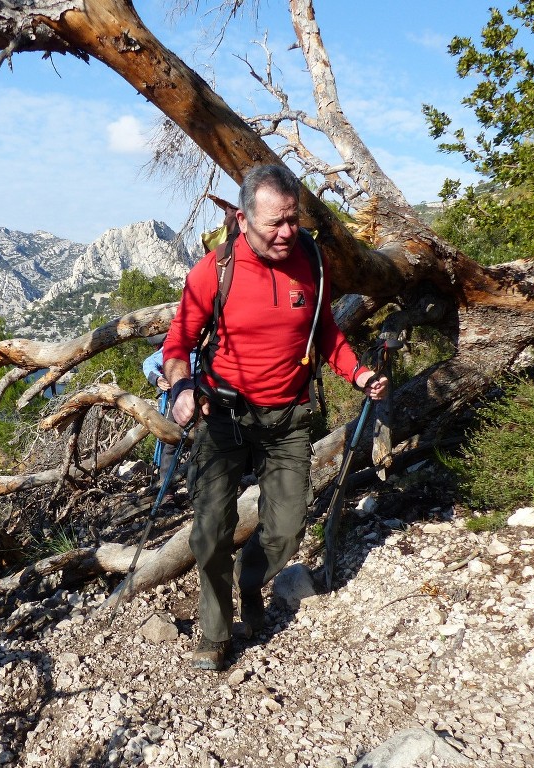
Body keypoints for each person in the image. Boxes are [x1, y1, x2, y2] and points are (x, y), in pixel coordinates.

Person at [162, 164, 389, 671]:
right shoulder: (214, 271)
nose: (288, 232)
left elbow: (324, 331)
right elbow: (176, 344)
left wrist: (358, 374)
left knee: (286, 529)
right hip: (222, 413)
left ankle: (251, 580)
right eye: (275, 224)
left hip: (288, 417)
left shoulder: (311, 258)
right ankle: (217, 632)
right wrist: (180, 388)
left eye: (293, 220)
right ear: (243, 219)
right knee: (210, 529)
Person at [142, 335, 199, 504]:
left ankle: (192, 489)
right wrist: (158, 379)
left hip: (199, 397)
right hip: (180, 397)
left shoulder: (207, 348)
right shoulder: (173, 348)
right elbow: (149, 364)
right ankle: (167, 490)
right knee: (171, 442)